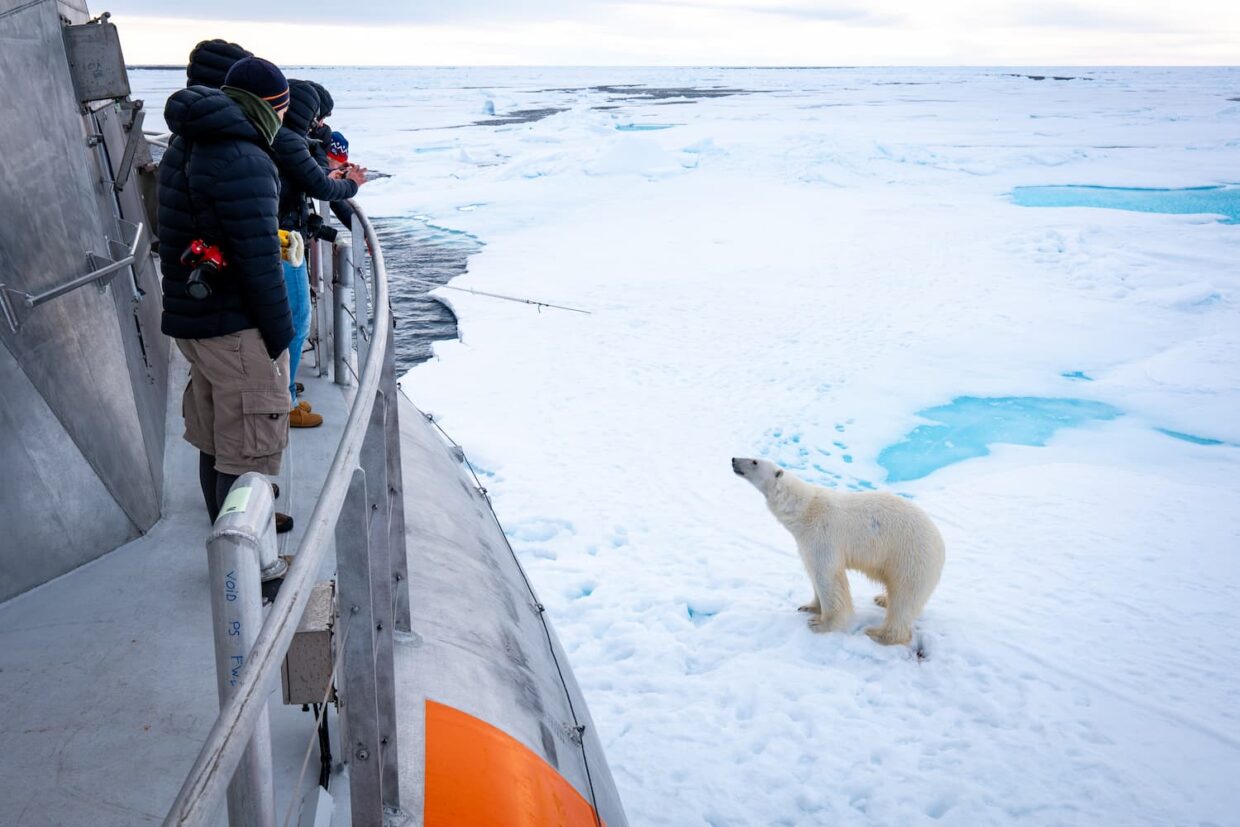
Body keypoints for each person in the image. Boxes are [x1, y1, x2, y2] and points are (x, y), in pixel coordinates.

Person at [158, 55, 296, 531]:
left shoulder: (187, 140)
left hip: (194, 316)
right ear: (272, 106)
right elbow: (260, 261)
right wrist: (281, 335)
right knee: (247, 445)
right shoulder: (246, 157)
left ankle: (229, 533)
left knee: (217, 436)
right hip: (234, 325)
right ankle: (245, 563)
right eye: (283, 108)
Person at [271, 79, 367, 427]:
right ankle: (284, 401)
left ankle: (282, 387)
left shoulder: (284, 140)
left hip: (283, 239)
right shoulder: (290, 143)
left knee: (287, 320)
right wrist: (352, 182)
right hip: (284, 244)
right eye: (317, 117)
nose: (320, 125)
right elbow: (322, 186)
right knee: (297, 320)